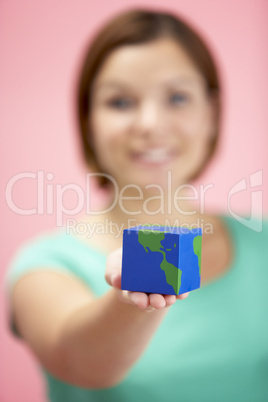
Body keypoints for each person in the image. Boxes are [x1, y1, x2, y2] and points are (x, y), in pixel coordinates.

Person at [4, 8, 268, 402]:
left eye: (178, 97)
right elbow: (81, 363)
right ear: (88, 121)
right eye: (121, 102)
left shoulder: (260, 242)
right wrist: (134, 294)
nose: (149, 123)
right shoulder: (45, 266)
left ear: (211, 113)